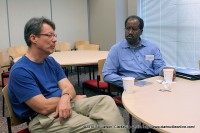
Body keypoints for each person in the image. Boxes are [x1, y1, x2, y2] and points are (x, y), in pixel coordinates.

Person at [8, 17, 128, 133]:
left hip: (65, 104)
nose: (54, 39)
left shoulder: (50, 61)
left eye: (54, 35)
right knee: (99, 125)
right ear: (33, 38)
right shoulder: (21, 71)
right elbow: (43, 107)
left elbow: (69, 88)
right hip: (43, 119)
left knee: (105, 101)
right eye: (49, 35)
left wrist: (66, 97)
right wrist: (69, 97)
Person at [102, 15, 175, 87]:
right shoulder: (116, 49)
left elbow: (158, 67)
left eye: (134, 29)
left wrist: (165, 70)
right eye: (128, 28)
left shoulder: (152, 47)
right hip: (131, 87)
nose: (130, 32)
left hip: (152, 84)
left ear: (141, 32)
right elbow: (107, 74)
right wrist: (130, 81)